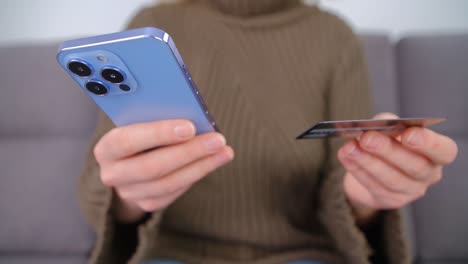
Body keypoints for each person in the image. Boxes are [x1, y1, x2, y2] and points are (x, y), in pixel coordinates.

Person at [78, 0, 459, 264]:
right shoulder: (153, 23)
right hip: (176, 253)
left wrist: (367, 193)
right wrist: (129, 197)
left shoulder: (334, 36)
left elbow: (344, 178)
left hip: (303, 254)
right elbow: (102, 181)